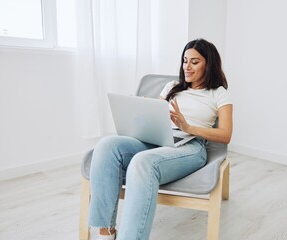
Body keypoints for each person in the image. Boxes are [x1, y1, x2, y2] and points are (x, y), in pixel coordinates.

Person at [89, 38, 233, 240]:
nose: (187, 67)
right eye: (185, 60)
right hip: (158, 138)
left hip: (190, 145)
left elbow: (226, 134)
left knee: (142, 162)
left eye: (194, 61)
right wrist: (139, 109)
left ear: (208, 65)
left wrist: (188, 127)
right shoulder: (173, 86)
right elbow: (153, 116)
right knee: (106, 145)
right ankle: (105, 233)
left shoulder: (218, 93)